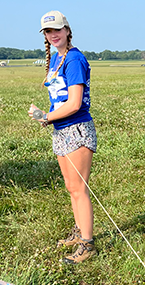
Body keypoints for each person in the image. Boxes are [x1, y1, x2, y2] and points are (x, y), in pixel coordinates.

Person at [29, 10, 97, 264]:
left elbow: (76, 103)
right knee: (71, 188)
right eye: (48, 32)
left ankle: (88, 245)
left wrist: (46, 116)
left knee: (79, 189)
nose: (53, 35)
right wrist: (44, 115)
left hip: (77, 129)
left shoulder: (74, 59)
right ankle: (79, 234)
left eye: (57, 30)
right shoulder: (58, 59)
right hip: (61, 129)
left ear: (67, 30)